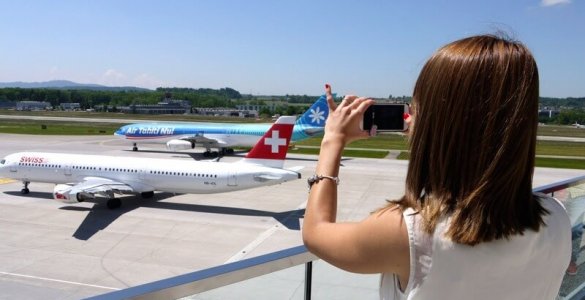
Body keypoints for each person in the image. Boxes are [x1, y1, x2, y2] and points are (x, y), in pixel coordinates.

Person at [302, 34, 571, 299]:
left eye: (416, 111)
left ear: (439, 126)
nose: (408, 120)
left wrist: (332, 141)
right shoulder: (557, 218)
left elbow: (315, 233)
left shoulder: (407, 233)